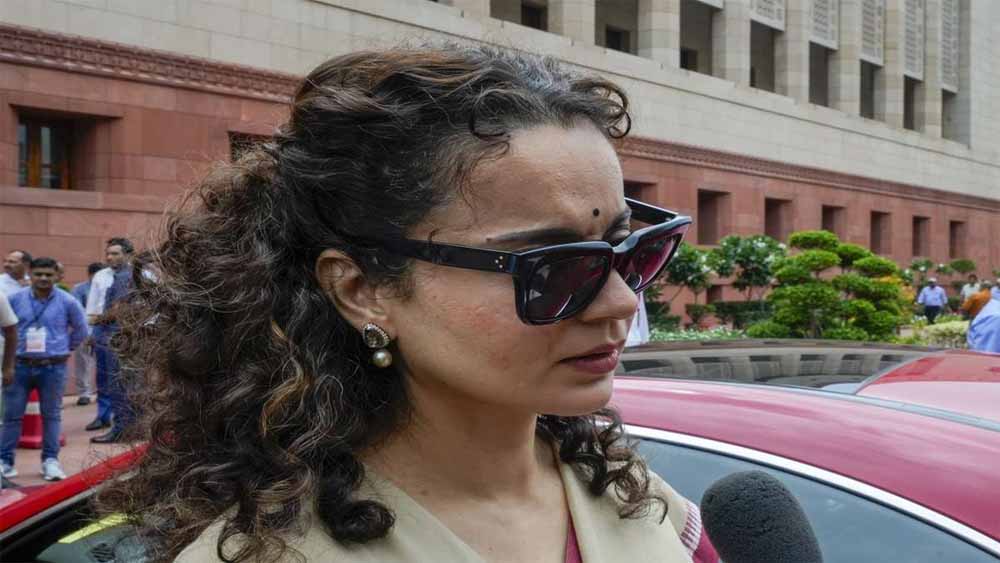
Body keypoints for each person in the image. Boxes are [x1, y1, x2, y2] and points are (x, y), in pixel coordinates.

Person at [96, 46, 718, 563]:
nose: (618, 302)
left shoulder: (644, 507)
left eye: (631, 251)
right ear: (360, 289)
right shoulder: (275, 553)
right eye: (550, 267)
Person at [1, 257, 87, 481]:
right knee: (11, 417)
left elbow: (82, 329)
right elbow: (4, 328)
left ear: (57, 276)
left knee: (52, 416)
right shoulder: (15, 299)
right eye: (38, 274)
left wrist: (65, 347)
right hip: (19, 366)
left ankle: (50, 461)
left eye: (48, 275)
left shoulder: (68, 301)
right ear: (30, 274)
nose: (43, 278)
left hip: (53, 367)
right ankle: (5, 462)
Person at [84, 239, 134, 435]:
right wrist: (91, 333)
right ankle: (103, 416)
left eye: (115, 253)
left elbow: (150, 306)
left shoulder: (141, 275)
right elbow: (92, 305)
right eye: (108, 253)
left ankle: (125, 421)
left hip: (126, 333)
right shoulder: (100, 276)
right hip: (101, 332)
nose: (109, 257)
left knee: (123, 379)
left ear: (128, 254)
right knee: (103, 376)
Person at [70, 263, 105, 406]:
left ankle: (103, 392)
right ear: (90, 275)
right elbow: (77, 310)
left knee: (104, 363)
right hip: (84, 330)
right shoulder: (79, 289)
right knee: (83, 363)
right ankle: (84, 393)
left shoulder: (107, 287)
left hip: (104, 330)